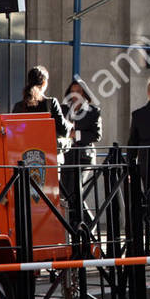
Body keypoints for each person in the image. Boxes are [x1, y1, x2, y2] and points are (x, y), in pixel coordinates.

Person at [61, 79, 102, 233]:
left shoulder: (93, 111)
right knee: (67, 193)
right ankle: (77, 227)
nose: (75, 94)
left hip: (84, 156)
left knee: (75, 191)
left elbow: (96, 135)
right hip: (66, 156)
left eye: (78, 91)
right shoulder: (63, 109)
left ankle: (88, 225)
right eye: (73, 91)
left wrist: (75, 134)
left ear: (84, 94)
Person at [12, 65, 72, 150]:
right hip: (47, 154)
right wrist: (69, 124)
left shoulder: (18, 106)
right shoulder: (51, 103)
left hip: (24, 153)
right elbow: (64, 131)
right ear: (44, 83)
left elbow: (13, 132)